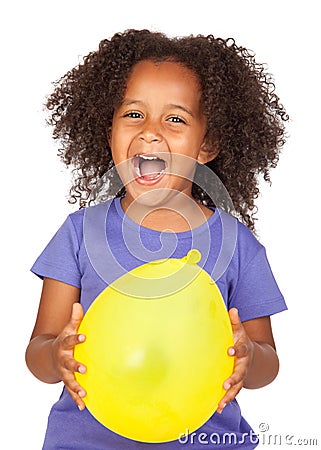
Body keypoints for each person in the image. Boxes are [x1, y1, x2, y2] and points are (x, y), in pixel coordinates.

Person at [26, 29, 288, 449]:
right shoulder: (80, 233)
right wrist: (58, 353)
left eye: (175, 119)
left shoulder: (237, 245)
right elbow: (38, 355)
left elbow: (267, 363)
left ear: (207, 145)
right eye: (133, 114)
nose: (150, 132)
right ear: (107, 129)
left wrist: (249, 358)